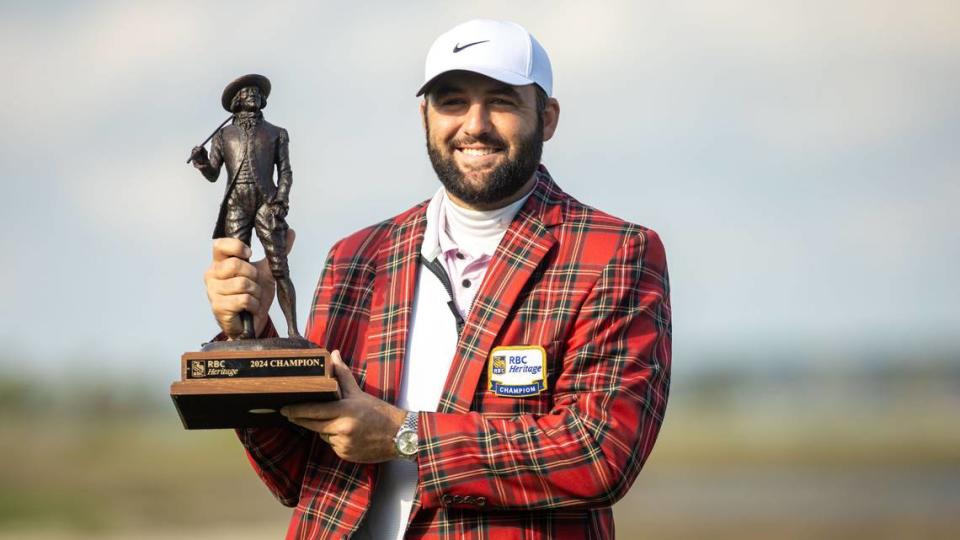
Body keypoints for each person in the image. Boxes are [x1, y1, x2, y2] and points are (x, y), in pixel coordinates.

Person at [203, 19, 671, 539]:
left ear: (548, 117)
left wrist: (406, 437)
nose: (475, 124)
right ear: (425, 116)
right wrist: (252, 334)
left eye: (501, 100)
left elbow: (598, 453)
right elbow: (301, 477)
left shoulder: (612, 252)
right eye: (452, 102)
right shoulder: (358, 257)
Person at [192, 74, 302, 339]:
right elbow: (213, 174)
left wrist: (281, 200)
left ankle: (293, 331)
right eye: (246, 93)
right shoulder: (224, 135)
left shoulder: (277, 133)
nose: (252, 95)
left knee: (279, 267)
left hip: (267, 202)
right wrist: (202, 160)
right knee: (238, 266)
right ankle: (247, 332)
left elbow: (286, 172)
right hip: (236, 204)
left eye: (256, 92)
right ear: (236, 103)